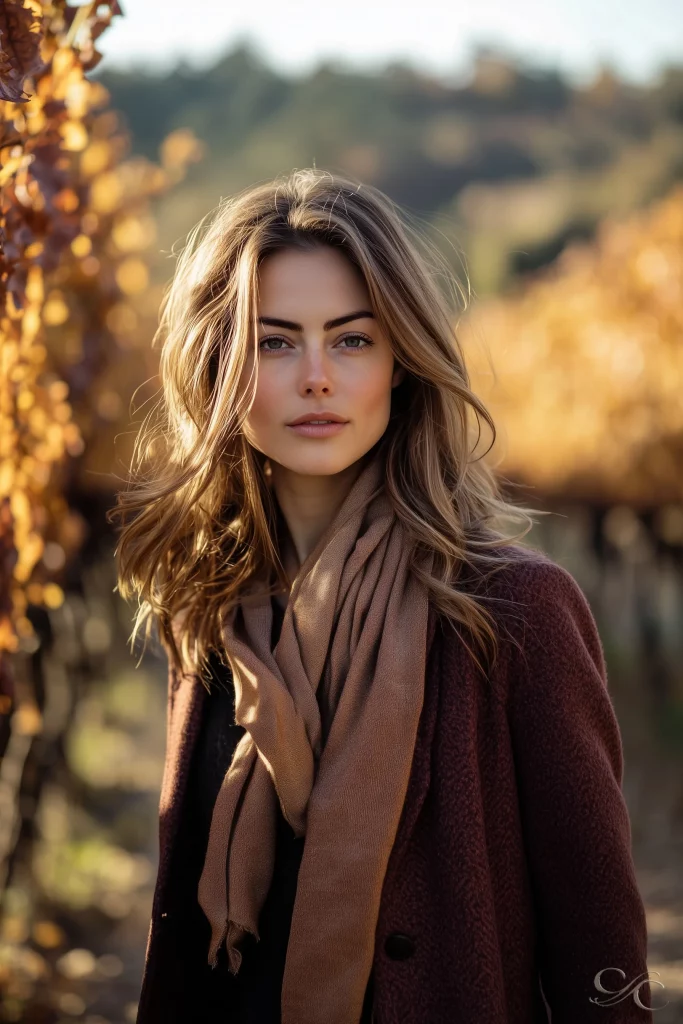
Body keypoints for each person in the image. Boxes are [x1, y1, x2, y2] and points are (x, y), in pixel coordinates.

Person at [110, 168, 652, 1024]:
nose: (316, 377)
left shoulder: (515, 609)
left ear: (401, 362)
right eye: (273, 341)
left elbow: (601, 942)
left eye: (352, 340)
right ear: (218, 364)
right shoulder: (207, 612)